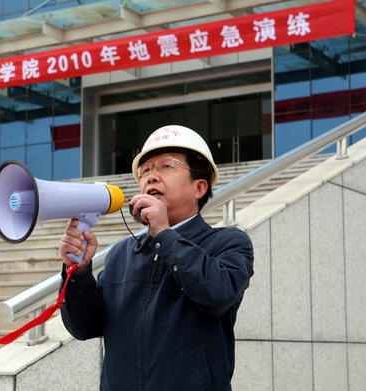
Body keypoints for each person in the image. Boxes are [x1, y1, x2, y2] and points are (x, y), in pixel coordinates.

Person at [59, 125, 254, 390]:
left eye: (166, 166)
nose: (151, 176)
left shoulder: (228, 243)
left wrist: (163, 232)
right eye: (146, 169)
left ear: (199, 187)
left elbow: (217, 294)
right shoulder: (121, 253)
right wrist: (78, 273)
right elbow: (83, 327)